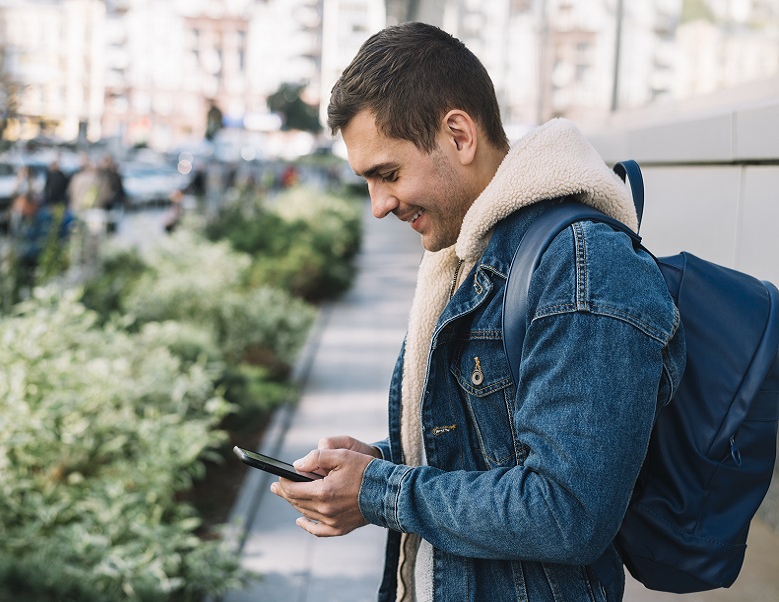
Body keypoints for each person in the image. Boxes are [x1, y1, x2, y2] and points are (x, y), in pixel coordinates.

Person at [270, 22, 686, 602]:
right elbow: (491, 451)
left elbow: (568, 511)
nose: (378, 206)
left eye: (387, 174)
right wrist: (382, 463)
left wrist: (380, 491)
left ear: (459, 135)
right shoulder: (470, 253)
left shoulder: (581, 266)